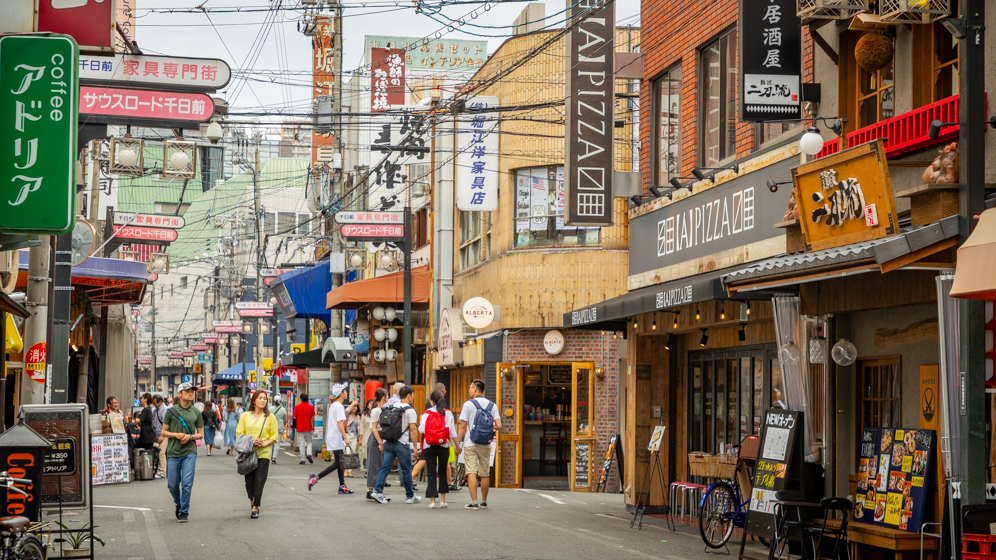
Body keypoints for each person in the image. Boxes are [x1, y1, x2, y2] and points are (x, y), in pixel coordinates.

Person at [160, 382, 204, 523]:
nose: (191, 393)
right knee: (172, 484)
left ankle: (184, 511)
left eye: (192, 391)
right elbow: (164, 431)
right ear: (179, 394)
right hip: (173, 452)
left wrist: (190, 437)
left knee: (187, 483)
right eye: (187, 391)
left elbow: (200, 434)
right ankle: (178, 503)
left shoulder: (196, 412)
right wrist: (176, 435)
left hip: (190, 452)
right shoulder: (171, 411)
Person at [371, 386, 421, 504]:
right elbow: (413, 430)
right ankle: (410, 496)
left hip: (388, 442)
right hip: (401, 443)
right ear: (408, 395)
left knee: (384, 468)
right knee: (406, 470)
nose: (413, 398)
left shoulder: (392, 407)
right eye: (412, 395)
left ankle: (377, 491)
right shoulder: (410, 410)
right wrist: (415, 446)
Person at [457, 379, 501, 510]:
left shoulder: (468, 404)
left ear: (475, 389)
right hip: (486, 444)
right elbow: (499, 425)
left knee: (471, 471)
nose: (469, 390)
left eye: (470, 388)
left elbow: (463, 426)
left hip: (471, 442)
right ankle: (483, 501)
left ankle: (474, 501)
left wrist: (458, 443)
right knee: (484, 472)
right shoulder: (492, 405)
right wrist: (488, 427)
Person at [236, 390, 278, 519]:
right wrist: (252, 441)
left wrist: (265, 443)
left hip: (264, 452)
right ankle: (252, 500)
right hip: (248, 452)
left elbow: (274, 435)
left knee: (260, 480)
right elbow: (239, 433)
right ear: (254, 400)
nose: (263, 400)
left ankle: (255, 507)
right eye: (260, 398)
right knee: (249, 482)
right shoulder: (245, 415)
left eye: (265, 398)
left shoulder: (270, 417)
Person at [308, 383, 354, 494]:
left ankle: (342, 485)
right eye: (345, 391)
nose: (347, 393)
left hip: (334, 437)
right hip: (336, 438)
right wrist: (345, 437)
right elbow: (339, 423)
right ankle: (316, 477)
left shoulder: (334, 405)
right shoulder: (338, 406)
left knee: (340, 462)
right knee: (338, 463)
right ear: (341, 393)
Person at [418, 390, 458, 509]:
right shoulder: (448, 413)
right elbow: (452, 431)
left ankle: (432, 501)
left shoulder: (426, 414)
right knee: (442, 473)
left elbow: (421, 430)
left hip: (429, 446)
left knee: (431, 473)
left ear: (431, 401)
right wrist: (458, 446)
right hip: (443, 445)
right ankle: (443, 500)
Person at [413, 383, 448, 480]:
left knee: (425, 460)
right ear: (444, 393)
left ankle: (448, 482)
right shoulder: (443, 409)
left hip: (428, 438)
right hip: (440, 439)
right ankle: (448, 483)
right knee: (425, 460)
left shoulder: (428, 406)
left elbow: (422, 427)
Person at [365, 389, 388, 502]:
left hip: (379, 437)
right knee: (374, 464)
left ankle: (374, 490)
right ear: (383, 397)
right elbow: (374, 428)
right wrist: (380, 442)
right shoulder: (376, 410)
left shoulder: (381, 409)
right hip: (376, 438)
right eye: (387, 395)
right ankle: (372, 491)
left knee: (377, 464)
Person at [293, 394, 316, 465]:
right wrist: (313, 426)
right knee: (309, 442)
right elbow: (312, 417)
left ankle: (302, 459)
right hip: (308, 427)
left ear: (301, 399)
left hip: (300, 428)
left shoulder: (297, 407)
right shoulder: (311, 407)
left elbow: (294, 417)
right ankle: (309, 453)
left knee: (301, 443)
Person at [152, 395, 168, 479]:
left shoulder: (164, 410)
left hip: (164, 434)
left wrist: (162, 435)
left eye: (155, 403)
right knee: (158, 452)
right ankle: (159, 469)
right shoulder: (155, 410)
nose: (154, 405)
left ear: (160, 402)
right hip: (157, 433)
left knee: (161, 451)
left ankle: (162, 471)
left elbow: (166, 424)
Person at [269, 395, 286, 464]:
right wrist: (283, 424)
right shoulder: (283, 409)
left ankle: (270, 455)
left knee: (271, 442)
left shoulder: (270, 409)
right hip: (280, 427)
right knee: (277, 443)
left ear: (274, 401)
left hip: (272, 428)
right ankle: (274, 458)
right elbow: (285, 420)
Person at [359, 398, 375, 471]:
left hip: (374, 436)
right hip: (366, 435)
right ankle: (367, 468)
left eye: (373, 404)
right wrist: (360, 438)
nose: (372, 405)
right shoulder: (364, 415)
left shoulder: (376, 414)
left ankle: (371, 468)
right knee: (366, 452)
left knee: (373, 453)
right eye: (370, 404)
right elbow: (361, 427)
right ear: (367, 406)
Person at [344, 400, 359, 478]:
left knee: (352, 454)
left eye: (355, 406)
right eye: (353, 406)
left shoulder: (358, 416)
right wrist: (351, 404)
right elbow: (346, 410)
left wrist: (359, 438)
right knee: (347, 453)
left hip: (354, 437)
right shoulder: (347, 415)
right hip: (347, 435)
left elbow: (359, 428)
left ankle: (349, 471)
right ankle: (345, 470)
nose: (354, 408)